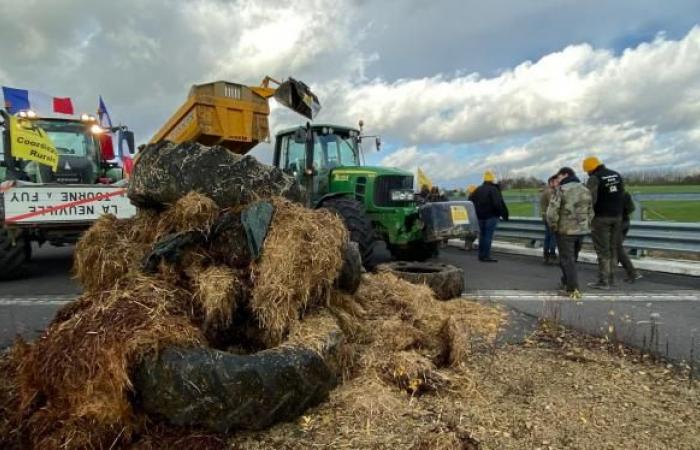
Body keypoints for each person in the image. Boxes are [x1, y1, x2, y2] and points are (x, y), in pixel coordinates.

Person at [546, 167, 593, 298]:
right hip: (581, 230)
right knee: (573, 258)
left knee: (567, 260)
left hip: (565, 230)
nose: (558, 179)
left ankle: (572, 290)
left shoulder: (561, 190)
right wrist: (586, 225)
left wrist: (553, 226)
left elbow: (551, 212)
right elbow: (591, 210)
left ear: (565, 175)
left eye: (559, 177)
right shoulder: (585, 189)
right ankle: (566, 281)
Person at [583, 156, 625, 290]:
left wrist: (587, 216)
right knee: (613, 249)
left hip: (601, 218)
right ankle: (612, 279)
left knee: (603, 251)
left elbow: (590, 199)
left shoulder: (595, 178)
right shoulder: (616, 175)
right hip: (618, 217)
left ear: (590, 169)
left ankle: (603, 282)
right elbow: (622, 194)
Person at [471, 170, 509, 262]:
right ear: (492, 179)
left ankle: (481, 255)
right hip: (491, 217)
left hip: (479, 217)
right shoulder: (494, 189)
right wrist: (502, 214)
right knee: (488, 236)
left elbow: (470, 202)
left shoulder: (477, 189)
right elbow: (498, 204)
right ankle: (486, 256)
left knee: (482, 236)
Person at [618, 191, 643, 282]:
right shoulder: (625, 194)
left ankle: (632, 272)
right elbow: (631, 208)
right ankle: (610, 272)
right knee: (616, 247)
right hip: (625, 222)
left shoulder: (609, 194)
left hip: (617, 223)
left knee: (617, 248)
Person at [540, 175, 558, 264]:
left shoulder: (545, 191)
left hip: (546, 216)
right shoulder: (550, 192)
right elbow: (554, 205)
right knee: (553, 237)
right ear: (551, 182)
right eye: (555, 182)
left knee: (548, 236)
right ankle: (551, 255)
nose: (558, 183)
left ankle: (546, 256)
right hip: (550, 217)